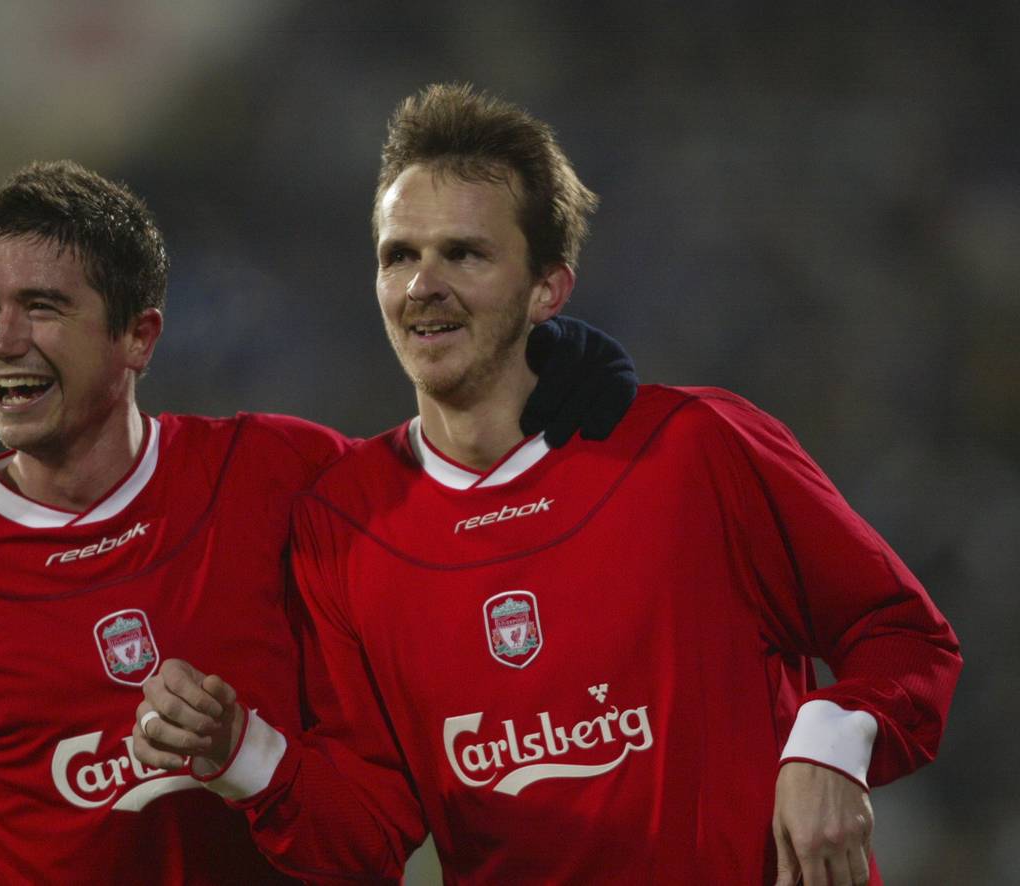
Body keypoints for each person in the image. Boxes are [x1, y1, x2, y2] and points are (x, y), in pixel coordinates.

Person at [134, 84, 963, 885]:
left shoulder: (697, 448)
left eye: (464, 253)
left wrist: (827, 743)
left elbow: (905, 639)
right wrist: (240, 753)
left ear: (547, 288)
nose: (424, 285)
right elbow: (369, 830)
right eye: (400, 256)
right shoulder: (345, 522)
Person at [0, 159, 635, 883]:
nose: (3, 341)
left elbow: (463, 488)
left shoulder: (280, 477)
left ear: (138, 336)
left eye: (42, 307)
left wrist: (555, 365)